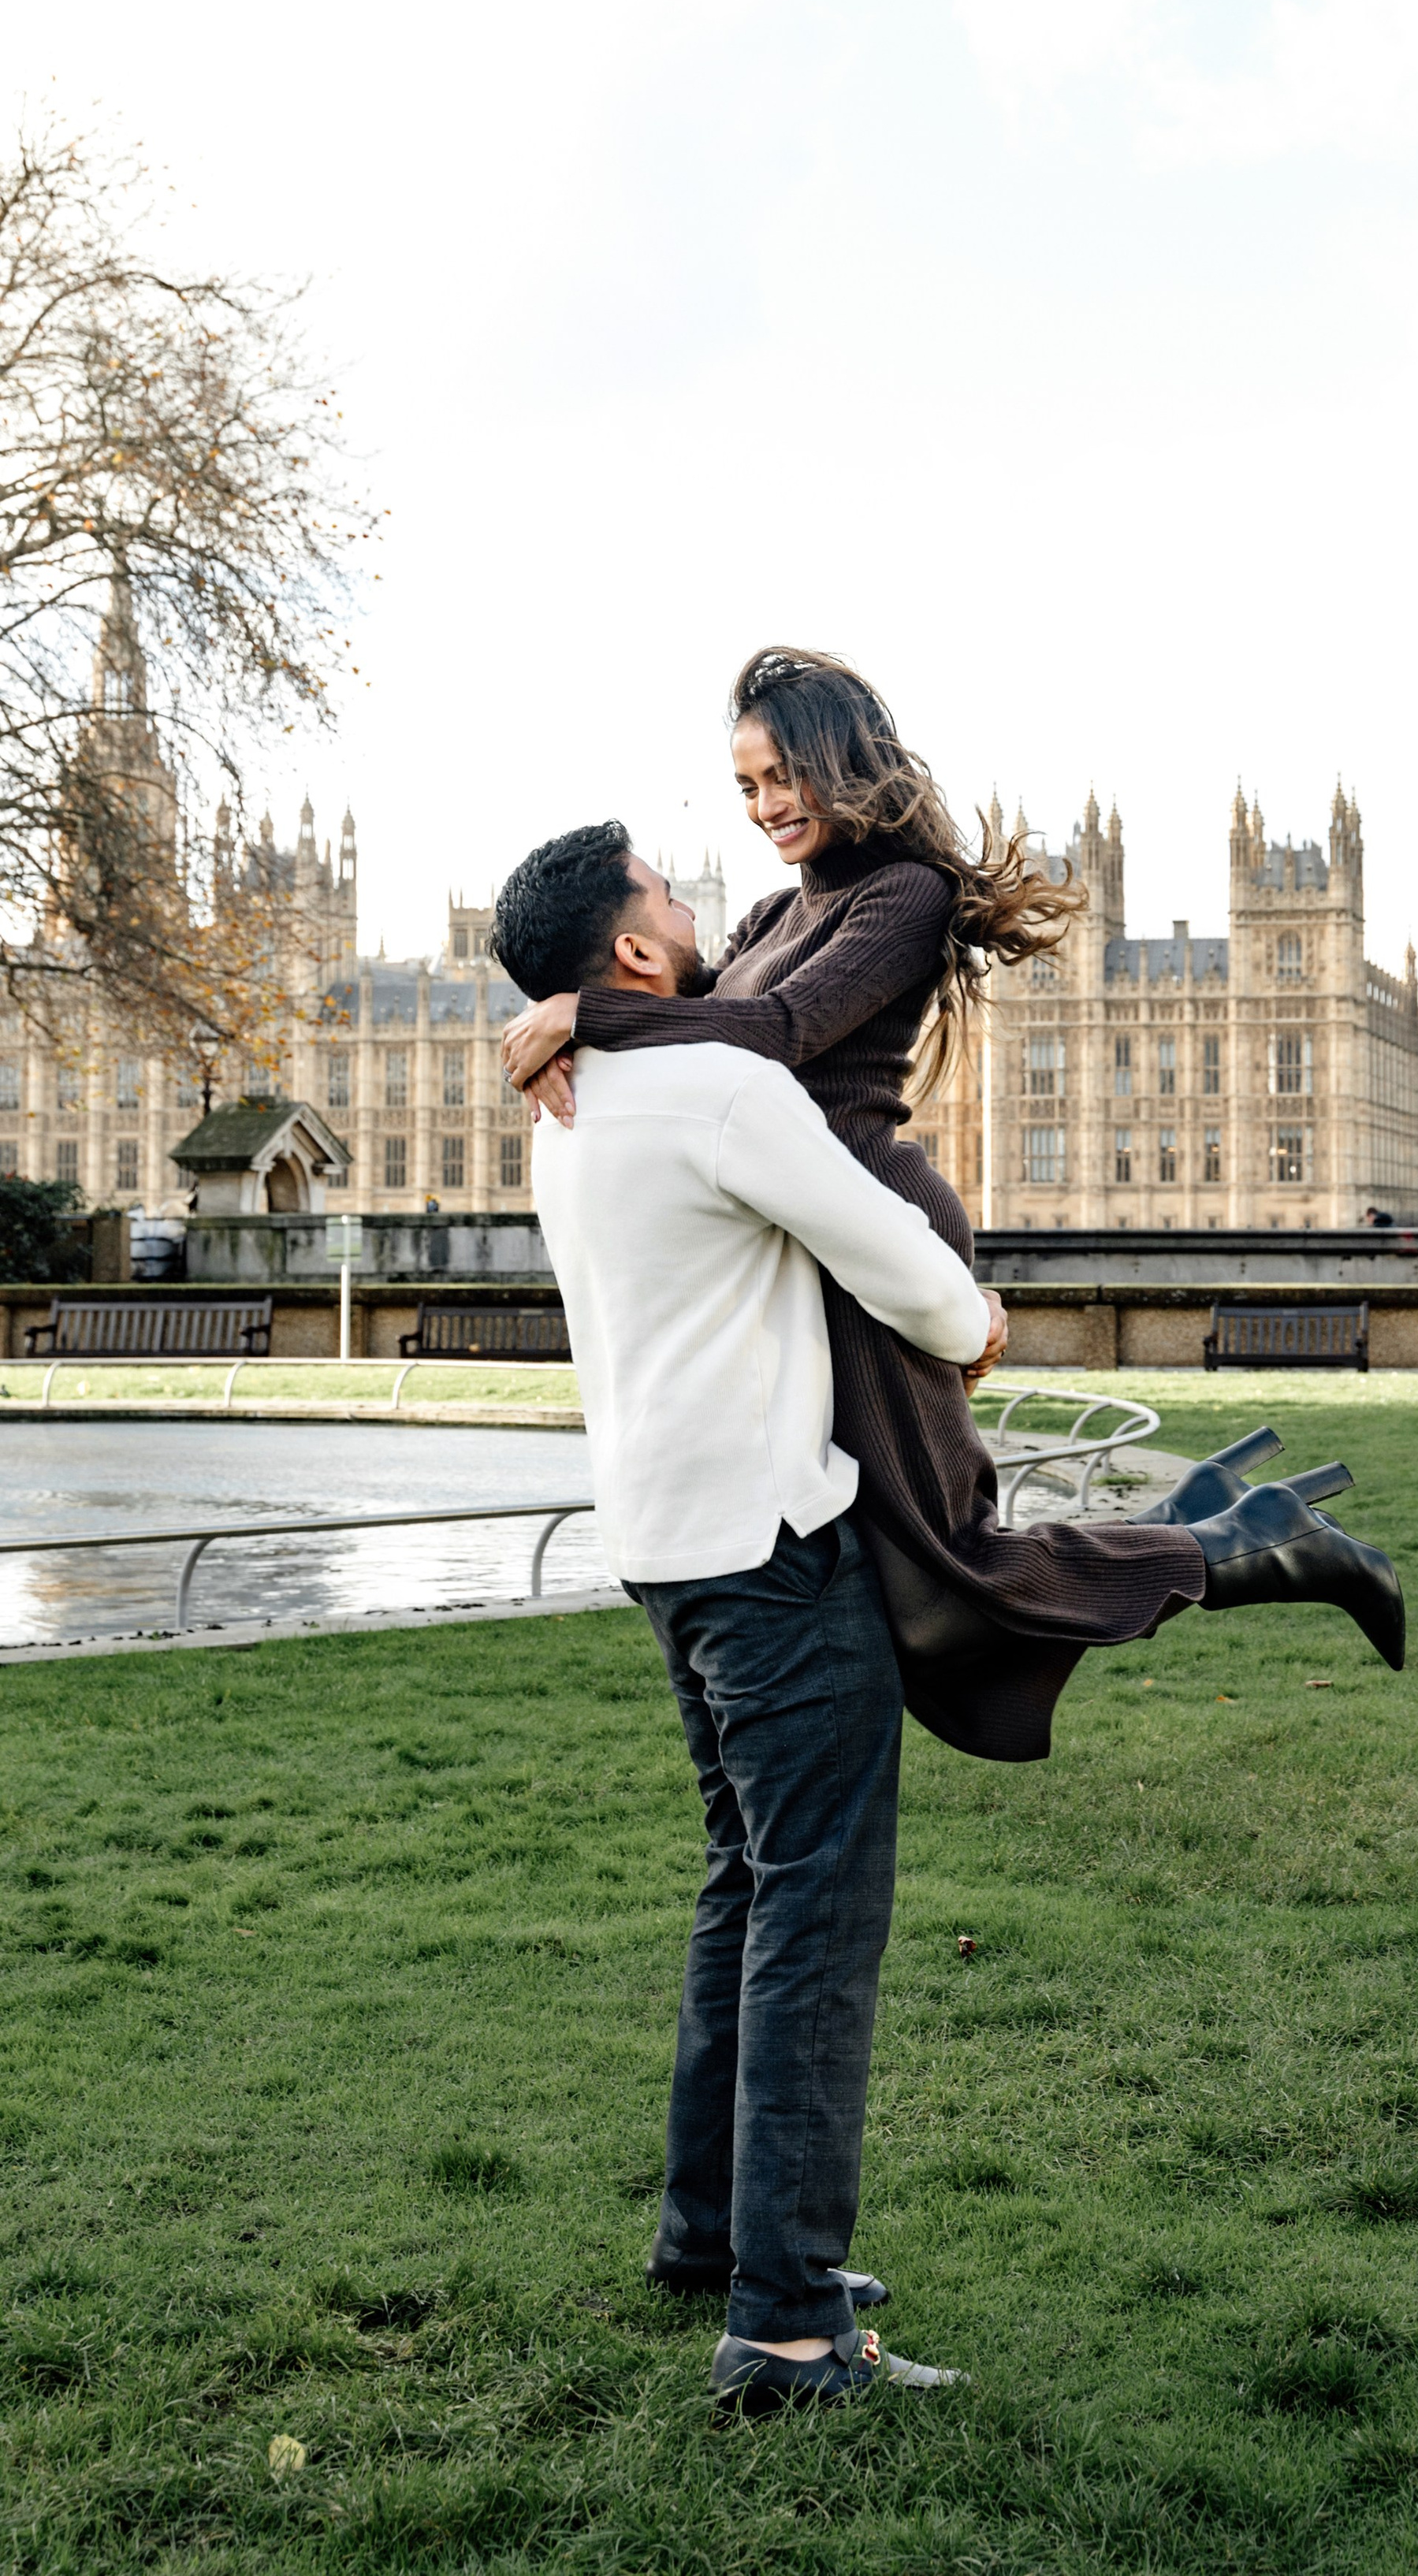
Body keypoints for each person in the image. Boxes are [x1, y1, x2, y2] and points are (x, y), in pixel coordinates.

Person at [501, 650, 1405, 1764]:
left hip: (873, 1234)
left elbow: (778, 1037)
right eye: (746, 786)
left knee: (950, 1570)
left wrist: (585, 1010)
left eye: (785, 774)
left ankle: (1261, 1545)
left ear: (843, 761)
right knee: (911, 1579)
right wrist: (574, 1002)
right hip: (799, 1246)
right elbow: (676, 1009)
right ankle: (1213, 1527)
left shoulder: (906, 897)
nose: (767, 804)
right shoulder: (776, 910)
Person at [493, 823, 986, 2411]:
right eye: (668, 891)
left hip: (658, 1540)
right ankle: (782, 2326)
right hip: (773, 1547)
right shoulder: (718, 1089)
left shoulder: (559, 1111)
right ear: (634, 955)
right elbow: (890, 1256)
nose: (700, 909)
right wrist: (972, 1324)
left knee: (741, 1886)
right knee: (813, 1918)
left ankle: (713, 2233)